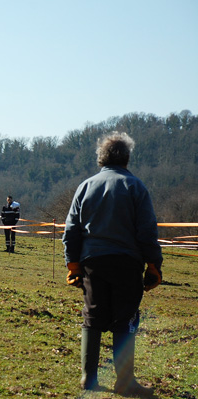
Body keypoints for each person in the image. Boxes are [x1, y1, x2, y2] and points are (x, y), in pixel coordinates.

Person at [63, 131, 163, 395]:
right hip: (127, 264)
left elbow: (71, 230)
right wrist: (154, 265)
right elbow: (147, 231)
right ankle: (125, 381)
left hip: (92, 263)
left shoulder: (85, 186)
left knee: (92, 316)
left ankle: (88, 379)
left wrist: (72, 266)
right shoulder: (136, 187)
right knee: (126, 318)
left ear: (101, 158)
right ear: (126, 158)